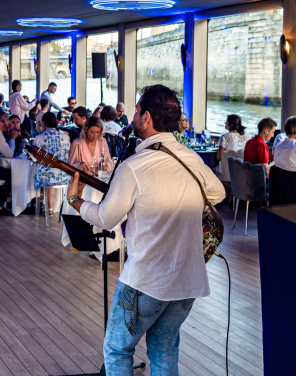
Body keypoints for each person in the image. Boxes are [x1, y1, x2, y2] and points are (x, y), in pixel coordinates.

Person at [66, 84, 225, 374]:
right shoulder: (192, 159)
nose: (134, 117)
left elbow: (105, 218)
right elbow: (217, 194)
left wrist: (76, 201)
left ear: (147, 117)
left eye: (137, 111)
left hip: (142, 281)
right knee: (164, 350)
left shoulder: (135, 166)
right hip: (187, 279)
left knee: (117, 349)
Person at [32, 112, 71, 215]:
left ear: (43, 123)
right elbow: (67, 157)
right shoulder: (65, 137)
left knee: (39, 172)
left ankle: (46, 205)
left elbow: (36, 159)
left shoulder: (39, 138)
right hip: (64, 174)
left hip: (47, 173)